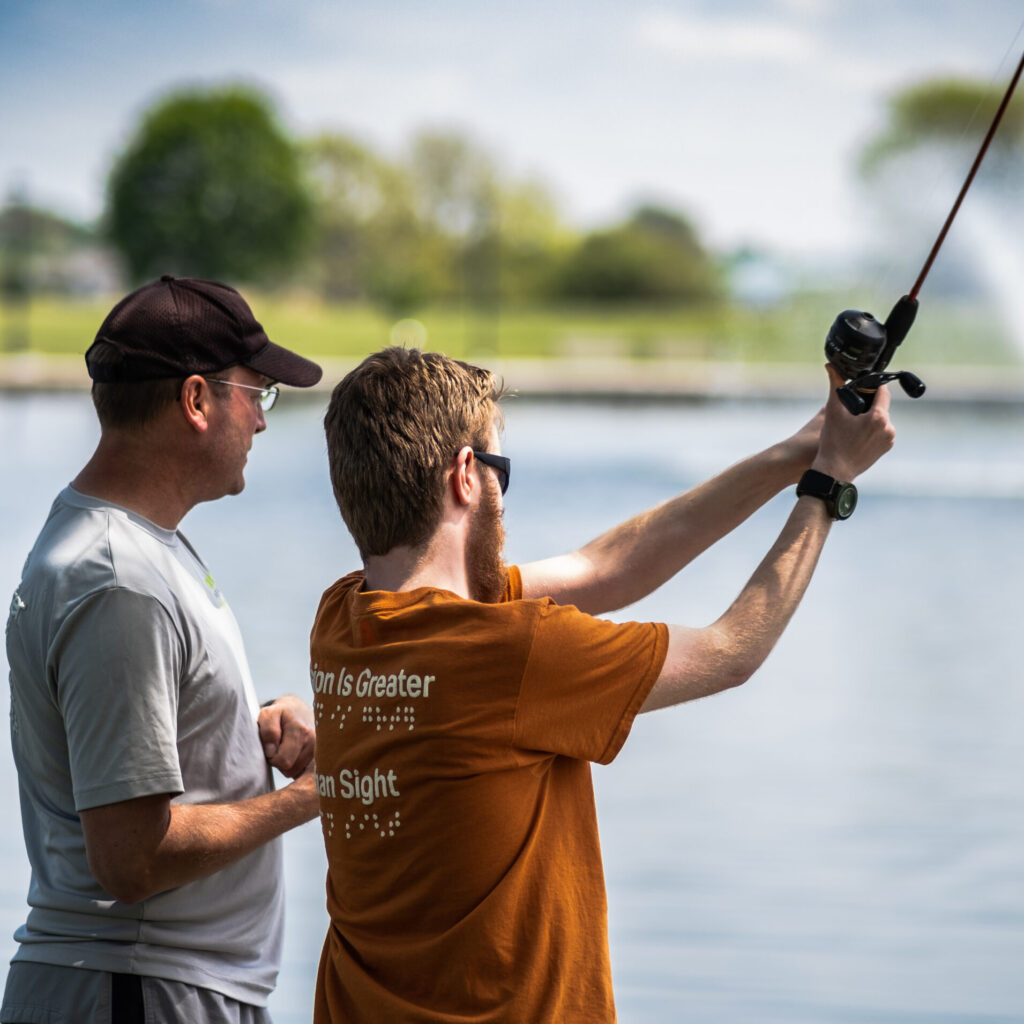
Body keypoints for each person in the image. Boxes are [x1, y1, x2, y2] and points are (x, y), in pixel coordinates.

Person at [308, 345, 895, 1023]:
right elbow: (735, 649)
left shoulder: (344, 620)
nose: (504, 495)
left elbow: (606, 567)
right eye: (502, 470)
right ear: (466, 477)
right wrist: (830, 484)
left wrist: (798, 451)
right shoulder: (511, 653)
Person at [3, 276, 324, 1024]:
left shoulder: (137, 548)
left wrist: (252, 725)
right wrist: (310, 797)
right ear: (195, 401)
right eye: (259, 394)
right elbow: (131, 857)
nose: (263, 422)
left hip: (154, 985)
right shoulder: (120, 581)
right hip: (134, 987)